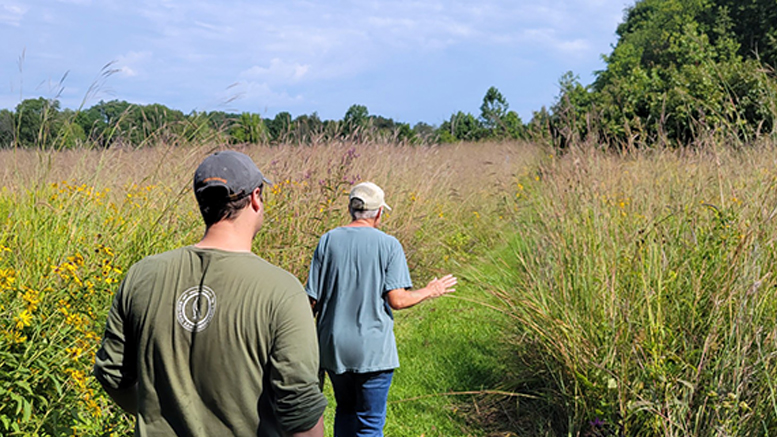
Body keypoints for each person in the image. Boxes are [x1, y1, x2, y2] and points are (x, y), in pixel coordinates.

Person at [93, 150, 327, 437]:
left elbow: (112, 373)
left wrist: (157, 412)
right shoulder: (282, 291)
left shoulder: (141, 276)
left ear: (202, 203)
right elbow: (300, 410)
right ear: (255, 197)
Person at [305, 181, 457, 437]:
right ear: (378, 213)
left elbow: (311, 301)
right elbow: (397, 300)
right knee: (370, 423)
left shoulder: (327, 240)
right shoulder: (389, 245)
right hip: (372, 351)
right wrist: (431, 290)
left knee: (345, 411)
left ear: (351, 209)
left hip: (333, 348)